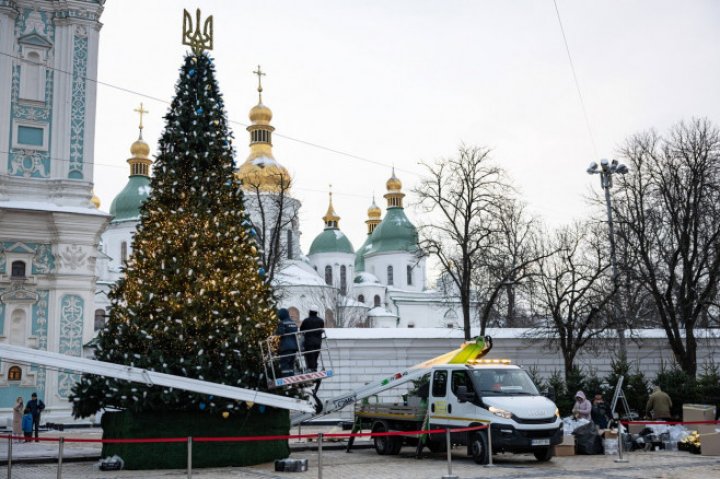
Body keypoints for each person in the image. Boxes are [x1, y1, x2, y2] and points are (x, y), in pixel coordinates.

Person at [300, 305, 325, 371]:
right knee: (315, 356)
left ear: (310, 312)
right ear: (316, 312)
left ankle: (311, 369)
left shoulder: (306, 320)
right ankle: (314, 369)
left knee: (309, 357)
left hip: (308, 342)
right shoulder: (321, 321)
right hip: (318, 342)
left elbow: (301, 330)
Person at [275, 308, 299, 377]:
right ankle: (292, 378)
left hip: (286, 347)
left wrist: (275, 332)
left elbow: (280, 333)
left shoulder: (282, 323)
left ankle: (286, 380)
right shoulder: (293, 323)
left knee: (284, 363)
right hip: (294, 347)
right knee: (291, 364)